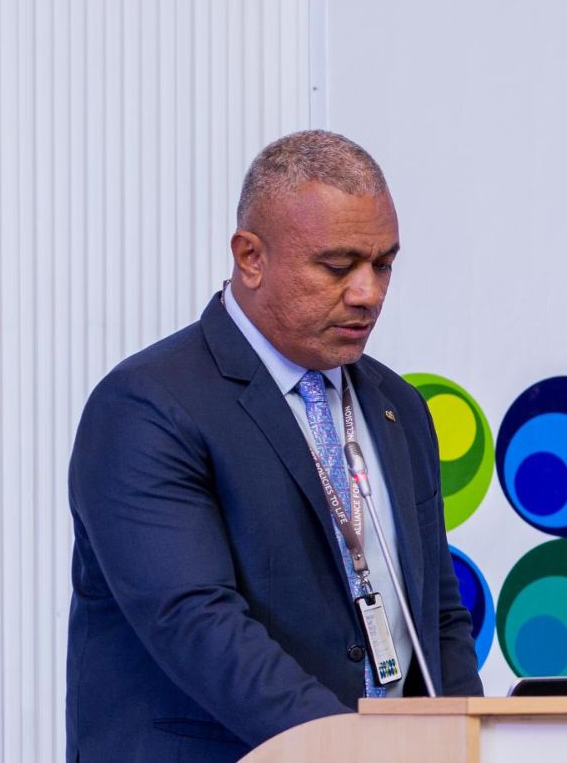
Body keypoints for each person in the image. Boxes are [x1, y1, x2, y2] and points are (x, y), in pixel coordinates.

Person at [66, 131, 483, 761]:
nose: (368, 293)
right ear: (250, 257)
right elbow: (197, 623)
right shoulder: (147, 405)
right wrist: (355, 750)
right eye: (338, 267)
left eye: (383, 265)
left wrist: (466, 745)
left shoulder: (398, 406)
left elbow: (438, 616)